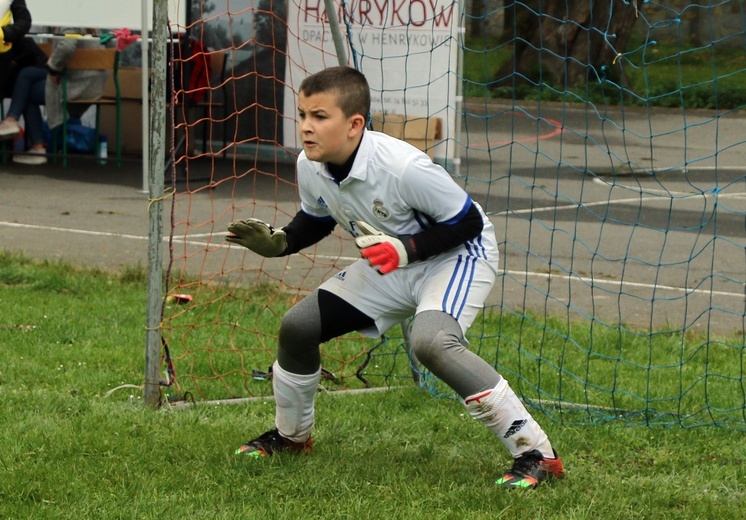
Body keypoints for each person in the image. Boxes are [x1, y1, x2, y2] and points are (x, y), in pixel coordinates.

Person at [224, 66, 564, 489]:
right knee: (298, 327)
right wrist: (282, 243)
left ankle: (537, 454)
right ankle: (292, 438)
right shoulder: (309, 165)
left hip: (456, 257)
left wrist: (407, 249)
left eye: (319, 116)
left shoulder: (403, 167)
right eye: (303, 115)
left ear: (354, 124)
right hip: (393, 264)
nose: (306, 128)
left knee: (431, 343)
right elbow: (317, 218)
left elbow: (469, 223)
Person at [0, 27, 108, 165]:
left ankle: (34, 144)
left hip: (74, 86)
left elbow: (67, 46)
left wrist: (53, 67)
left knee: (25, 91)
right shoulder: (97, 25)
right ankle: (13, 121)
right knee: (27, 74)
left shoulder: (70, 22)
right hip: (92, 87)